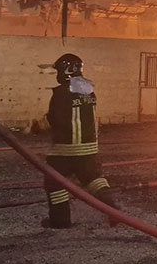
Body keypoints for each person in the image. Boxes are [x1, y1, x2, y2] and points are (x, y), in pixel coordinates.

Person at [43, 53, 118, 228]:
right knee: (93, 178)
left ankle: (60, 220)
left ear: (65, 70)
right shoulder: (89, 90)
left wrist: (42, 124)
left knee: (55, 181)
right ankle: (114, 211)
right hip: (89, 147)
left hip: (65, 149)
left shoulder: (61, 92)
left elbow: (56, 120)